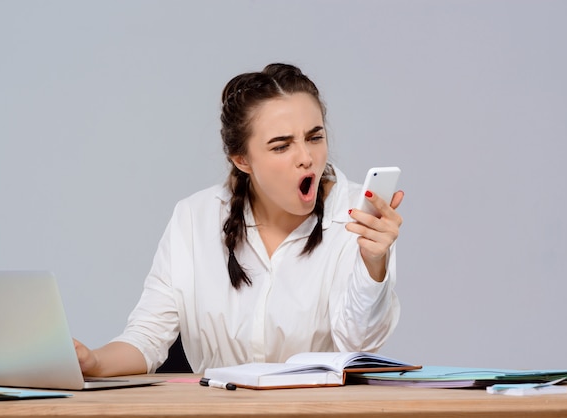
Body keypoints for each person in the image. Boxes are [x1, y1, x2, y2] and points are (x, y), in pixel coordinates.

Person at [73, 63, 404, 376]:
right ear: (242, 159)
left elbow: (360, 348)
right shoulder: (195, 217)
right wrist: (94, 362)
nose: (306, 158)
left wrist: (373, 265)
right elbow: (148, 336)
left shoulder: (358, 217)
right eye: (281, 146)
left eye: (314, 138)